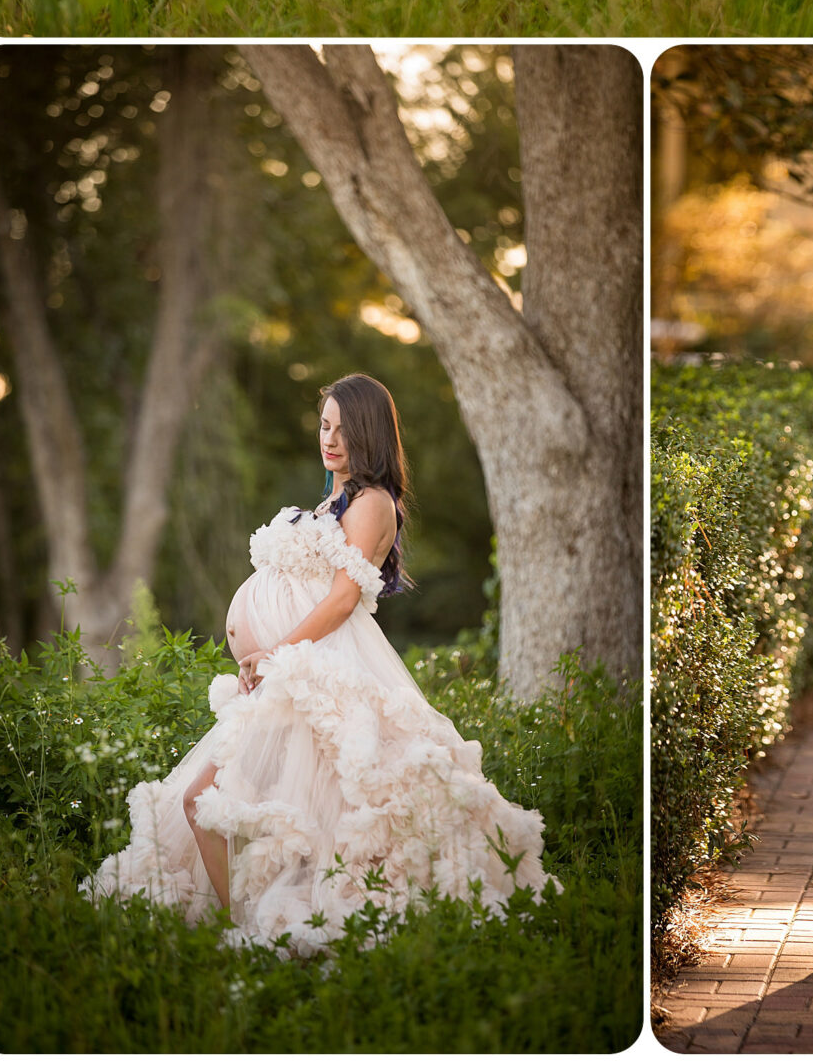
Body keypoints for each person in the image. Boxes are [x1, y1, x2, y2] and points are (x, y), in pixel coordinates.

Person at [84, 373, 554, 952]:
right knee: (244, 810)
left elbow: (341, 598)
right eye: (325, 425)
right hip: (290, 675)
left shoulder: (373, 502)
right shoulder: (334, 499)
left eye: (344, 429)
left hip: (319, 673)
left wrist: (277, 654)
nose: (330, 439)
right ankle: (251, 931)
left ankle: (258, 938)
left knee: (233, 805)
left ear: (371, 434)